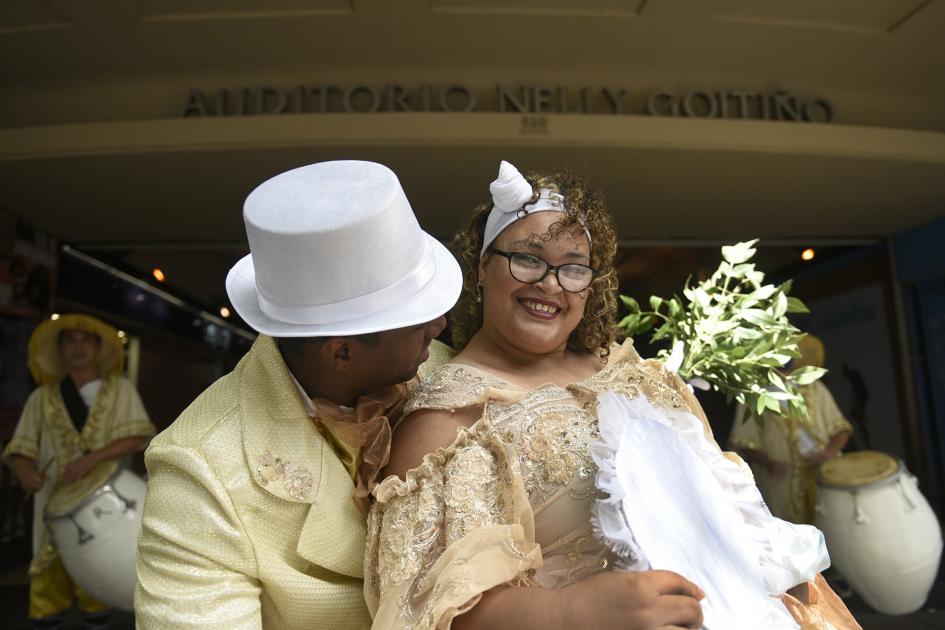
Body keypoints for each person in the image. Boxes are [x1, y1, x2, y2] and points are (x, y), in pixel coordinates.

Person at [365, 161, 861, 630]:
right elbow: (427, 608)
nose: (550, 283)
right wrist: (572, 613)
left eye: (573, 267)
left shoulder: (640, 376)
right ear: (480, 267)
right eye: (527, 258)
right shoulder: (448, 421)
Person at [134, 160, 462, 629]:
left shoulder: (444, 368)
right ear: (343, 353)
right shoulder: (198, 474)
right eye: (419, 321)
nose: (440, 324)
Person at [3, 314, 155, 630]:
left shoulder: (120, 390)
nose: (78, 346)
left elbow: (139, 435)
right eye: (70, 340)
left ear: (98, 348)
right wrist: (25, 470)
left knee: (100, 586)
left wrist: (92, 459)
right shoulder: (41, 397)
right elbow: (20, 448)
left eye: (85, 340)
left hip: (107, 506)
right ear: (60, 349)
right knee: (47, 592)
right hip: (50, 505)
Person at [729, 334, 853, 524]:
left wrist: (828, 454)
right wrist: (770, 464)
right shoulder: (753, 395)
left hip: (822, 472)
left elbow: (841, 429)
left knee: (834, 526)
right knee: (786, 535)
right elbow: (744, 440)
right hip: (780, 481)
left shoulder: (814, 388)